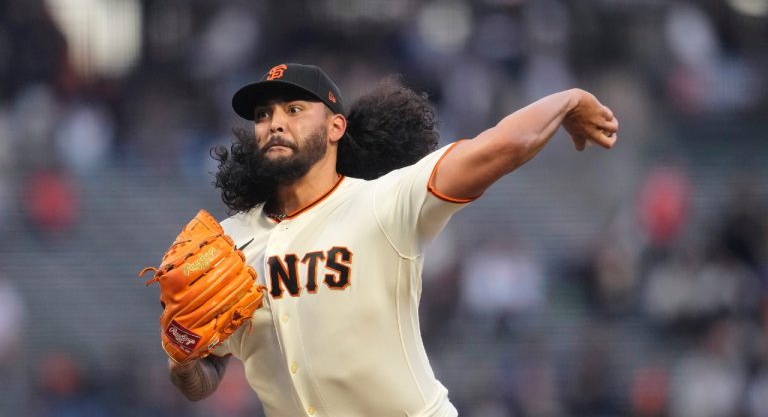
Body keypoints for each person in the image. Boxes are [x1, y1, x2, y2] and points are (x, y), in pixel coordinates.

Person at [168, 63, 618, 416]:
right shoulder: (229, 243)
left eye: (294, 109)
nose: (274, 123)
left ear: (336, 128)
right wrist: (184, 362)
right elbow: (205, 378)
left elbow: (497, 147)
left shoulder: (385, 201)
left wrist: (568, 100)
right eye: (263, 114)